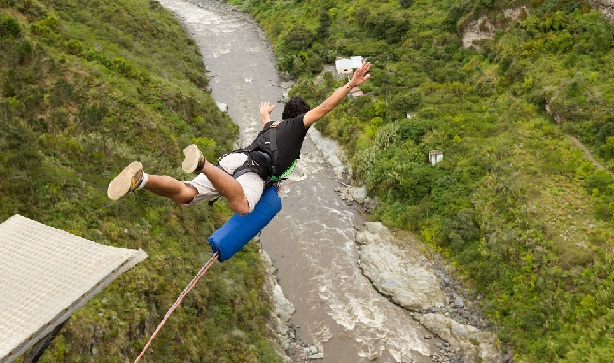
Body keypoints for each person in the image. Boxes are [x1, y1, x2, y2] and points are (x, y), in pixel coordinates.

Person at [107, 62, 371, 215]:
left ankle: (142, 180)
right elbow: (325, 107)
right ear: (302, 118)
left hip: (235, 159)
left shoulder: (273, 125)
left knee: (185, 194)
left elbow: (266, 122)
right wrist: (350, 85)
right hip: (252, 171)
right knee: (243, 206)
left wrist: (264, 112)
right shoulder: (297, 126)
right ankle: (202, 164)